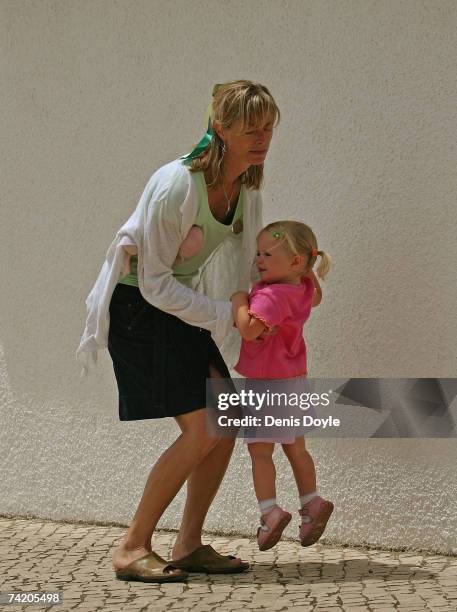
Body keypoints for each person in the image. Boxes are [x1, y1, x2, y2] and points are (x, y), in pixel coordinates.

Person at [76, 80, 281, 582]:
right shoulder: (177, 184)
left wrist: (261, 309)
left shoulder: (246, 182)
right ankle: (131, 547)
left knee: (226, 421)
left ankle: (188, 545)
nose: (261, 139)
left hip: (174, 303)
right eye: (250, 129)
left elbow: (245, 260)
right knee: (202, 428)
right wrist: (223, 312)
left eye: (268, 129)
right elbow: (152, 283)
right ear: (220, 128)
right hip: (137, 305)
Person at [230, 220, 334, 551]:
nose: (258, 260)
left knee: (260, 452)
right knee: (296, 447)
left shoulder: (271, 297)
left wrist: (237, 300)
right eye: (258, 253)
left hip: (266, 383)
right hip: (295, 380)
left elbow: (248, 329)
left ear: (296, 261)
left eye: (267, 254)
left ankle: (269, 512)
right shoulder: (303, 288)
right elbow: (316, 297)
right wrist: (309, 272)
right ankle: (312, 503)